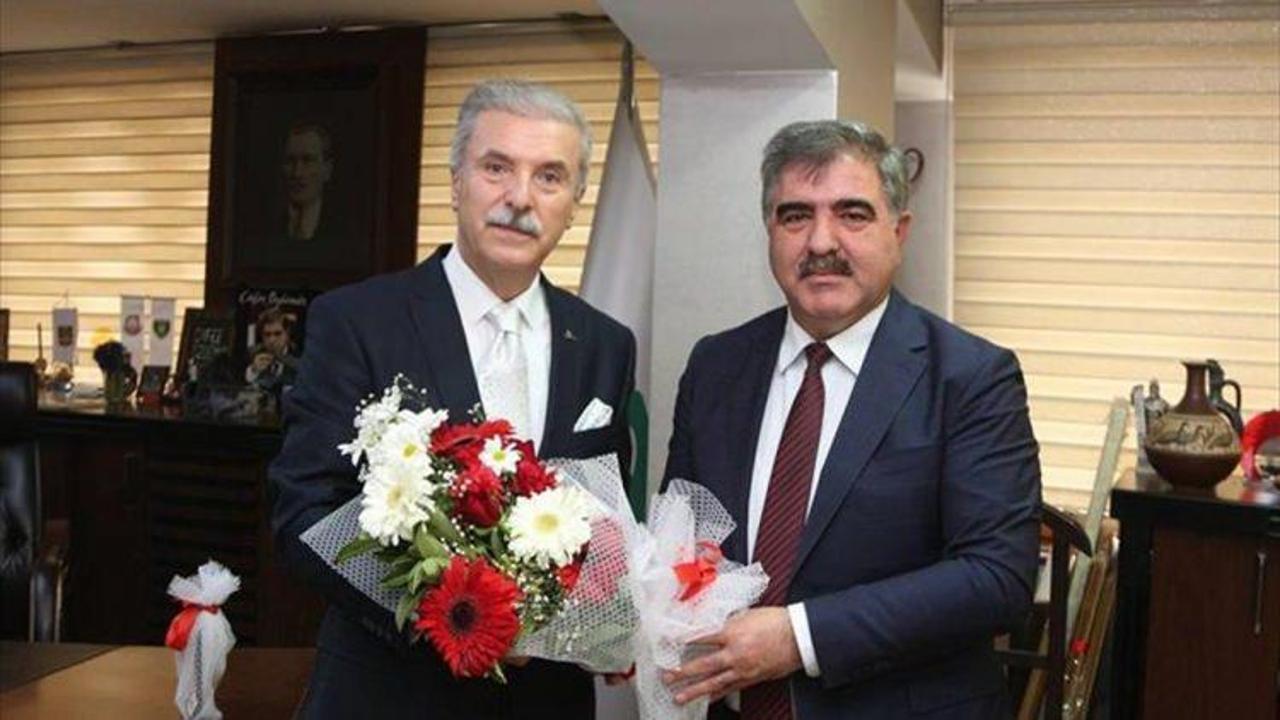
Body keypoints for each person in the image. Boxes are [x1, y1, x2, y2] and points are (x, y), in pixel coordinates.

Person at [270, 79, 636, 719]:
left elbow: (606, 519)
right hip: (389, 695)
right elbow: (304, 513)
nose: (519, 198)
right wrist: (455, 618)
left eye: (549, 177)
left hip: (545, 703)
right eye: (497, 168)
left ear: (575, 204)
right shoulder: (357, 322)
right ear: (456, 181)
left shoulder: (605, 344)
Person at [661, 120, 1042, 719]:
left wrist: (799, 637)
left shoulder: (970, 377)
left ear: (900, 231)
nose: (821, 242)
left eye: (852, 214)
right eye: (795, 216)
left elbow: (996, 578)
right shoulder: (716, 365)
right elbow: (679, 536)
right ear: (769, 231)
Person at [281, 123, 335, 242]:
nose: (297, 173)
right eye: (290, 161)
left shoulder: (345, 229)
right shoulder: (263, 227)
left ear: (327, 169)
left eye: (308, 160)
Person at [244, 306, 298, 388]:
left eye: (278, 333)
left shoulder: (299, 355)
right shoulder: (253, 354)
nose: (272, 340)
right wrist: (254, 370)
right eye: (267, 334)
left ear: (287, 334)